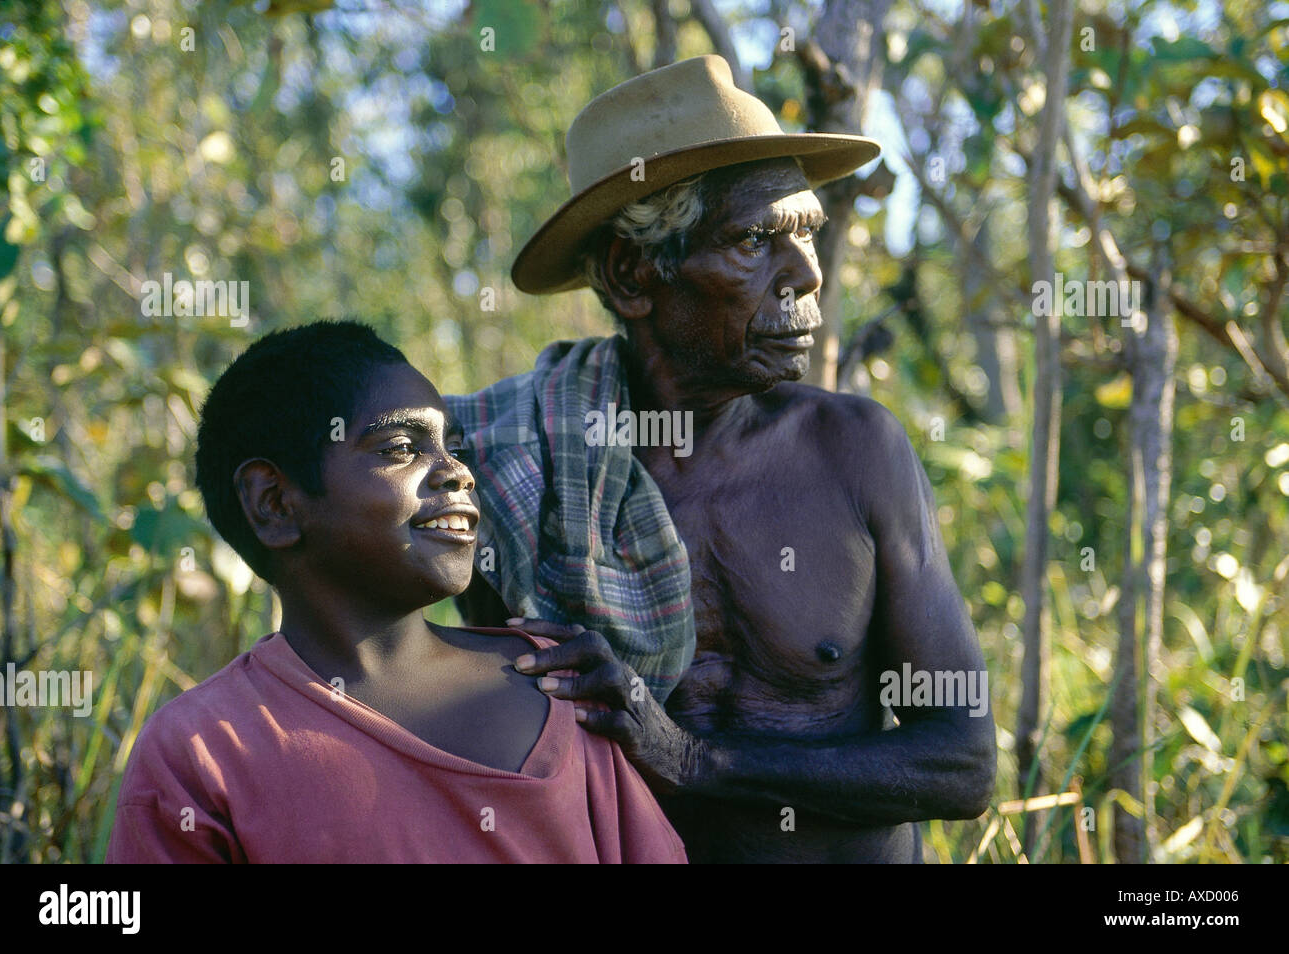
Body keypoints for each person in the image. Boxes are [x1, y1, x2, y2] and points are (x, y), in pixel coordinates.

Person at [450, 55, 996, 862]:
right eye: (752, 240)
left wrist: (693, 759)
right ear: (632, 274)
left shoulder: (855, 452)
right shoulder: (511, 464)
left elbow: (961, 763)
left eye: (807, 231)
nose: (806, 275)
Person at [105, 321, 685, 864]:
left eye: (451, 446)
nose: (456, 471)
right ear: (274, 504)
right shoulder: (202, 751)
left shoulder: (556, 676)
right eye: (400, 448)